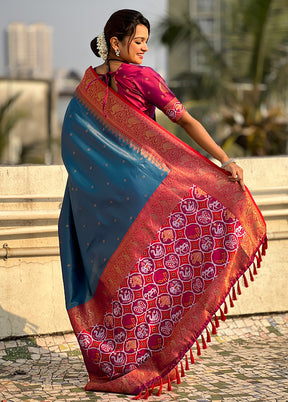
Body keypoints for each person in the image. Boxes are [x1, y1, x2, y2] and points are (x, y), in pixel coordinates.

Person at [58, 9, 267, 398]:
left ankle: (114, 362)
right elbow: (185, 121)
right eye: (137, 41)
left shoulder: (87, 85)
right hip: (143, 192)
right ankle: (142, 363)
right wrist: (224, 159)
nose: (144, 48)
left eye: (145, 41)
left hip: (98, 202)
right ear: (116, 43)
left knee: (117, 281)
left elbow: (72, 138)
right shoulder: (142, 78)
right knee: (148, 275)